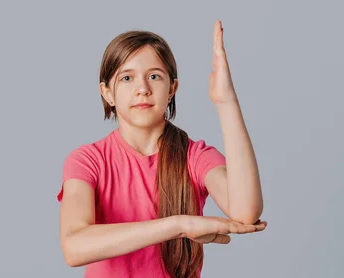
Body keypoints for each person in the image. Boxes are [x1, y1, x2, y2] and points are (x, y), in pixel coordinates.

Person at [56, 21, 267, 278]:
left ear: (172, 89)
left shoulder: (194, 156)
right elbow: (74, 246)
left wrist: (226, 101)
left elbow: (246, 211)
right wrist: (178, 225)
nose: (143, 89)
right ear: (107, 93)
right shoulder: (87, 161)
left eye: (154, 76)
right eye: (127, 78)